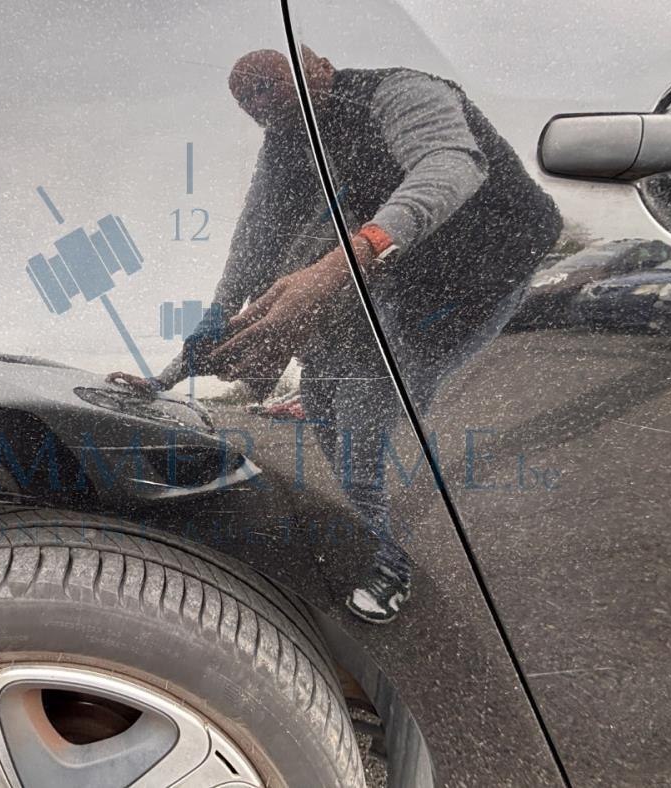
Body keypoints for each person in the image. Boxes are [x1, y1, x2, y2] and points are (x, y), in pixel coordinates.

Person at [111, 48, 561, 623]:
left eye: (268, 85)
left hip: (485, 270)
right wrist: (172, 369)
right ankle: (359, 489)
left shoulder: (398, 91)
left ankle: (394, 563)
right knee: (324, 393)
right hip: (400, 274)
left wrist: (343, 262)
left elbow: (451, 166)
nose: (259, 105)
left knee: (364, 422)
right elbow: (255, 240)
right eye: (246, 100)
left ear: (318, 66)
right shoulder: (286, 141)